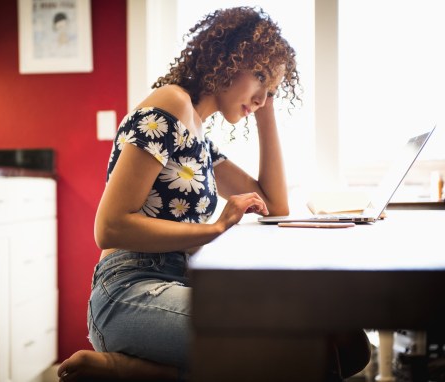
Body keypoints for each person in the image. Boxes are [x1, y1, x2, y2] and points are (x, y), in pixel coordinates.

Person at [58, 6, 370, 381]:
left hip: (180, 282)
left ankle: (147, 373)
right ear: (225, 59)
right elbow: (108, 228)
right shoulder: (170, 104)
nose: (261, 96)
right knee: (301, 349)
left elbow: (273, 205)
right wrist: (216, 227)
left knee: (349, 344)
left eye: (270, 89)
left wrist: (264, 108)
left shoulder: (200, 139)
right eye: (258, 76)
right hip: (128, 291)